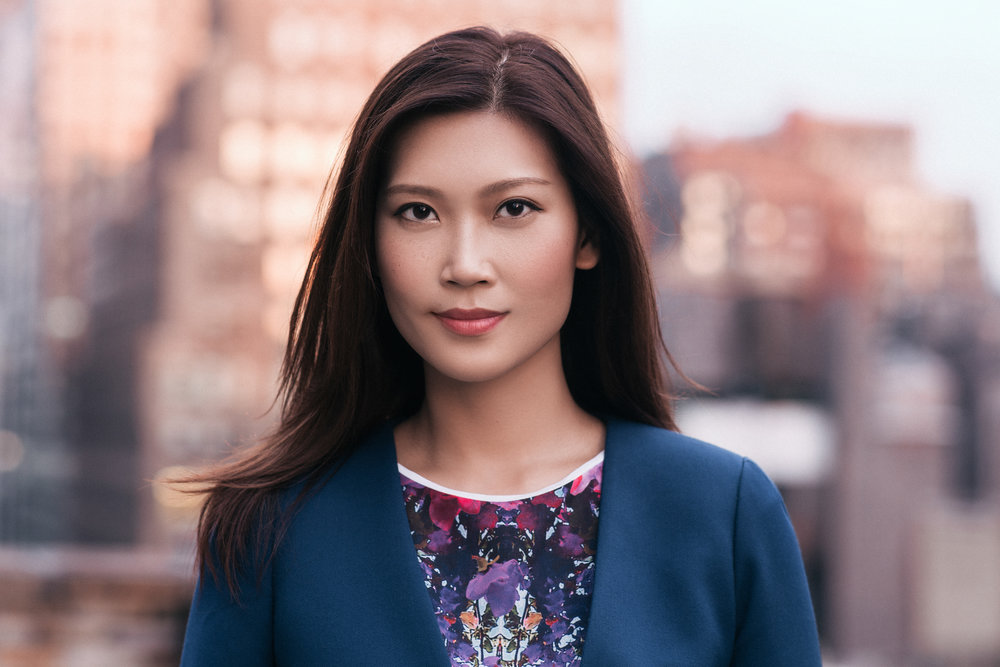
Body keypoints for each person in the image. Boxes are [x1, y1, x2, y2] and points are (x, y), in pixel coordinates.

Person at [180, 26, 821, 666]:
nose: (465, 264)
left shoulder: (723, 514)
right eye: (418, 213)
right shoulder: (269, 530)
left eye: (513, 208)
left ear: (588, 234)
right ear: (370, 244)